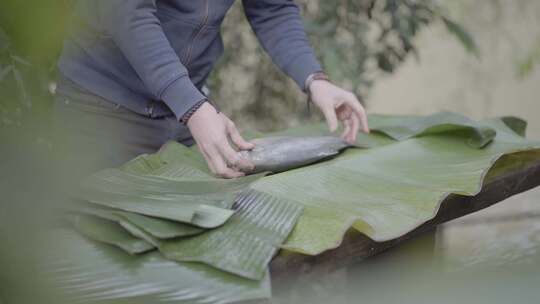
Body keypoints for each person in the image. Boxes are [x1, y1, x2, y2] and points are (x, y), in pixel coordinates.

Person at [54, 0, 369, 178]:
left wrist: (314, 79)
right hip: (100, 107)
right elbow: (127, 14)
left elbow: (272, 8)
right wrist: (192, 106)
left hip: (180, 112)